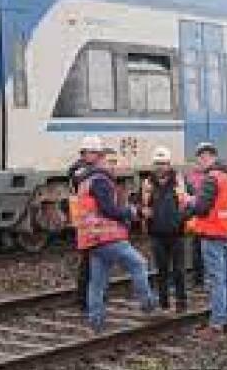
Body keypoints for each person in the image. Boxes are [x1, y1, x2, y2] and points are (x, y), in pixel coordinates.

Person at [75, 139, 157, 332]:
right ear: (100, 160)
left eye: (115, 162)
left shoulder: (85, 180)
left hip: (91, 238)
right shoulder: (101, 180)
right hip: (108, 236)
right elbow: (109, 210)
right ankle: (148, 303)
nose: (114, 166)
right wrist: (132, 212)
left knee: (97, 282)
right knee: (139, 264)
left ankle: (96, 321)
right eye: (110, 162)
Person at [183, 142, 227, 339]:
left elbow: (201, 208)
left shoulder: (211, 178)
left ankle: (216, 325)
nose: (199, 162)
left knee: (217, 280)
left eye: (200, 158)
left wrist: (190, 201)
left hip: (213, 234)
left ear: (206, 156)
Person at [142, 146, 187, 312]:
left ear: (169, 164)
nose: (161, 166)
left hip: (177, 234)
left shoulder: (179, 181)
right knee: (161, 271)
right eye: (158, 163)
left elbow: (185, 204)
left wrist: (181, 221)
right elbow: (144, 206)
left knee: (179, 271)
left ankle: (181, 303)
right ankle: (164, 303)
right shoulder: (148, 183)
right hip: (157, 234)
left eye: (164, 163)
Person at [67, 135, 106, 311]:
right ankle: (85, 299)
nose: (97, 157)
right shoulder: (79, 171)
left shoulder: (84, 169)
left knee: (94, 261)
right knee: (88, 262)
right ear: (85, 153)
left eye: (98, 153)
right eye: (94, 153)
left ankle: (90, 297)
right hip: (87, 223)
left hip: (91, 222)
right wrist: (103, 172)